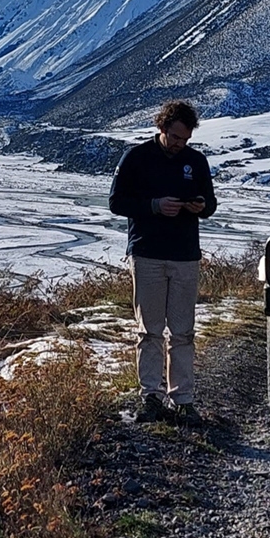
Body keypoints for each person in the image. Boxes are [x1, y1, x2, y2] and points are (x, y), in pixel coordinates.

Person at [108, 99, 217, 424]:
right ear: (162, 128)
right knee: (150, 331)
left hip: (185, 255)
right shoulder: (137, 157)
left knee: (183, 331)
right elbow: (116, 202)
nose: (179, 145)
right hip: (148, 254)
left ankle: (183, 399)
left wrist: (200, 206)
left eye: (185, 140)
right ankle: (151, 397)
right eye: (174, 138)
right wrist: (154, 206)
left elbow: (210, 202)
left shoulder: (195, 161)